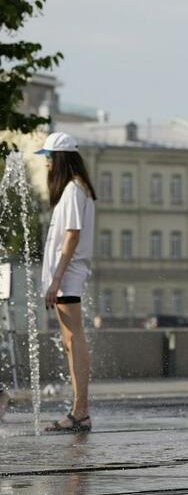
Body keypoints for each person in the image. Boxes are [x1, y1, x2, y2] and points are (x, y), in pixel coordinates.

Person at [36, 132, 97, 434]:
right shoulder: (75, 189)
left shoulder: (74, 190)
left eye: (48, 157)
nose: (46, 163)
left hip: (68, 276)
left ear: (60, 159)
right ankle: (78, 411)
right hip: (66, 277)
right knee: (70, 342)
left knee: (74, 341)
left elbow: (72, 235)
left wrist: (56, 279)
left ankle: (80, 412)